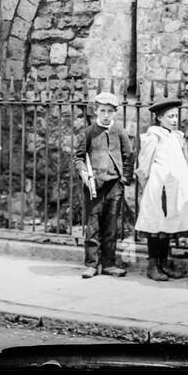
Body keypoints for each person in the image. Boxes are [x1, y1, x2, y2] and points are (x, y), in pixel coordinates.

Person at [134, 96, 188, 281]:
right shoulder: (154, 136)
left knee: (168, 226)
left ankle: (164, 263)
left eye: (176, 116)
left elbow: (183, 161)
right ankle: (153, 266)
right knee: (156, 226)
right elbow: (144, 164)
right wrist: (147, 187)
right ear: (160, 118)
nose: (174, 120)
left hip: (174, 188)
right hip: (158, 188)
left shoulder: (177, 137)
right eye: (170, 116)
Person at [75, 90, 135, 278]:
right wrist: (83, 172)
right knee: (92, 226)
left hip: (114, 187)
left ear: (115, 112)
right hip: (94, 187)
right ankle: (92, 264)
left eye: (110, 111)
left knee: (111, 227)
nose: (106, 115)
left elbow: (129, 156)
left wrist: (124, 178)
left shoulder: (120, 132)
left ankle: (108, 263)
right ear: (96, 111)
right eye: (103, 111)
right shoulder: (88, 133)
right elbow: (77, 158)